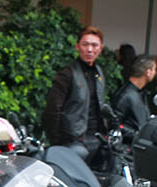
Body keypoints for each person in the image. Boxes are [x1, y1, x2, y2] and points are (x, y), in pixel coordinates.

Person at [41, 26, 107, 168]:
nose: (89, 49)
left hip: (96, 138)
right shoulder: (67, 74)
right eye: (85, 44)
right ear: (77, 47)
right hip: (73, 140)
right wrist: (57, 143)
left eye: (94, 45)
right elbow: (52, 110)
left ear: (100, 48)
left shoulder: (99, 73)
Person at [114, 55, 156, 136]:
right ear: (148, 72)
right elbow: (116, 124)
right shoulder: (125, 95)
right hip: (128, 145)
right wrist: (137, 135)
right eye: (154, 69)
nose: (155, 73)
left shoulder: (140, 93)